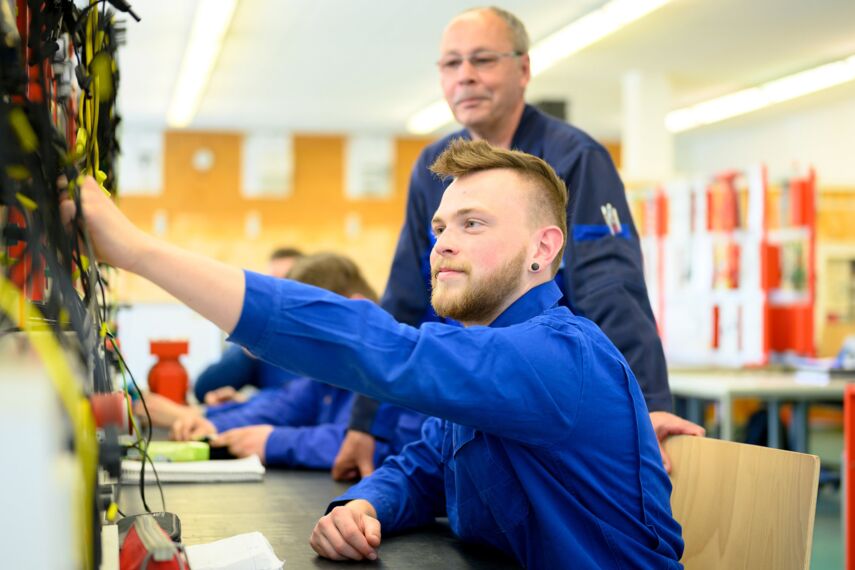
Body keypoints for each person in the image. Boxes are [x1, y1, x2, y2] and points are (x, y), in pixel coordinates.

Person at [63, 139, 683, 567]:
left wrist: (138, 252)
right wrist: (366, 504)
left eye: (474, 224)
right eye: (440, 228)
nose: (442, 244)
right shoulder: (481, 354)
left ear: (543, 249)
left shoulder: (558, 356)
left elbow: (381, 349)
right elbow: (424, 468)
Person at [334, 6, 702, 481]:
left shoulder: (577, 159)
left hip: (556, 397)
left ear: (524, 69)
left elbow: (612, 289)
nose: (464, 76)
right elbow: (405, 297)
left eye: (483, 60)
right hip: (468, 396)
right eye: (451, 64)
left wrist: (647, 405)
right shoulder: (435, 167)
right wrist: (367, 424)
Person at [169, 253, 426, 469]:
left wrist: (273, 442)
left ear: (355, 307)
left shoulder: (407, 365)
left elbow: (379, 445)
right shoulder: (332, 373)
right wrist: (212, 424)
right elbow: (284, 406)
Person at [193, 247, 304, 405]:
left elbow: (303, 402)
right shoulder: (265, 338)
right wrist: (247, 351)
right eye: (272, 283)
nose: (278, 292)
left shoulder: (313, 340)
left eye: (286, 281)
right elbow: (204, 390)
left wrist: (249, 404)